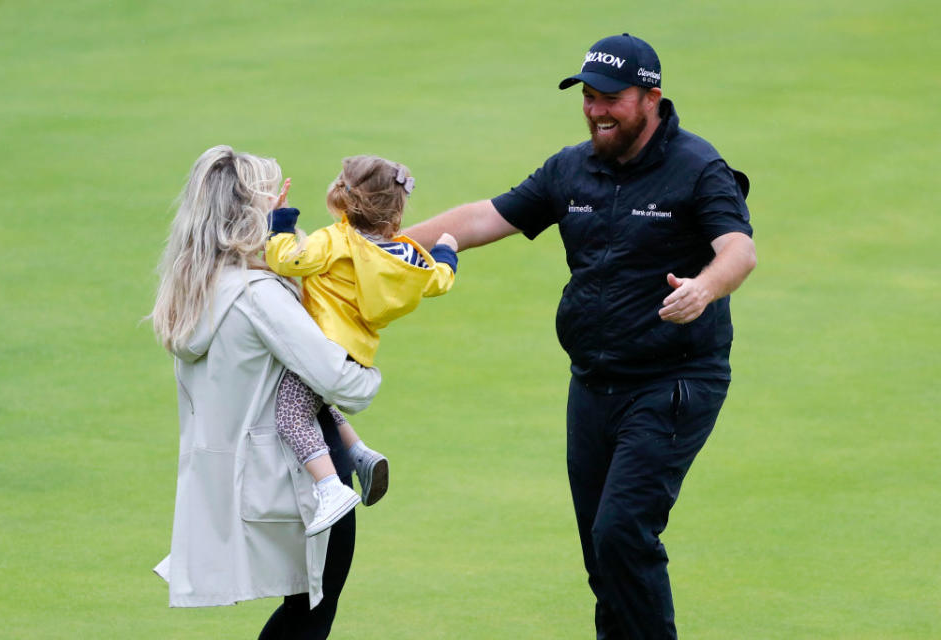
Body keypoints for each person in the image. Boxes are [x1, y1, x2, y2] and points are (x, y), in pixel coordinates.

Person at [405, 34, 757, 639]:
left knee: (622, 530)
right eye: (589, 97)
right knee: (603, 551)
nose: (596, 110)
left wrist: (704, 288)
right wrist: (371, 251)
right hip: (593, 383)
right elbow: (482, 218)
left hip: (672, 380)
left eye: (611, 100)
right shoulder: (573, 168)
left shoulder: (698, 168)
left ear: (652, 97)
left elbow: (739, 251)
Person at [150, 145, 381, 639]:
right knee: (312, 613)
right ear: (252, 211)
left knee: (304, 610)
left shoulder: (196, 291)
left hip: (251, 486)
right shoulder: (260, 297)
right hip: (305, 482)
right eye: (272, 198)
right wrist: (370, 371)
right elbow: (342, 382)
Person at [264, 155, 459, 537]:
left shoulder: (332, 241)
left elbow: (284, 260)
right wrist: (447, 250)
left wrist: (281, 220)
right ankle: (360, 453)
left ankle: (329, 487)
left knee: (289, 415)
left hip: (320, 348)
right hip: (354, 356)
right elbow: (439, 280)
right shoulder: (405, 257)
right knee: (316, 403)